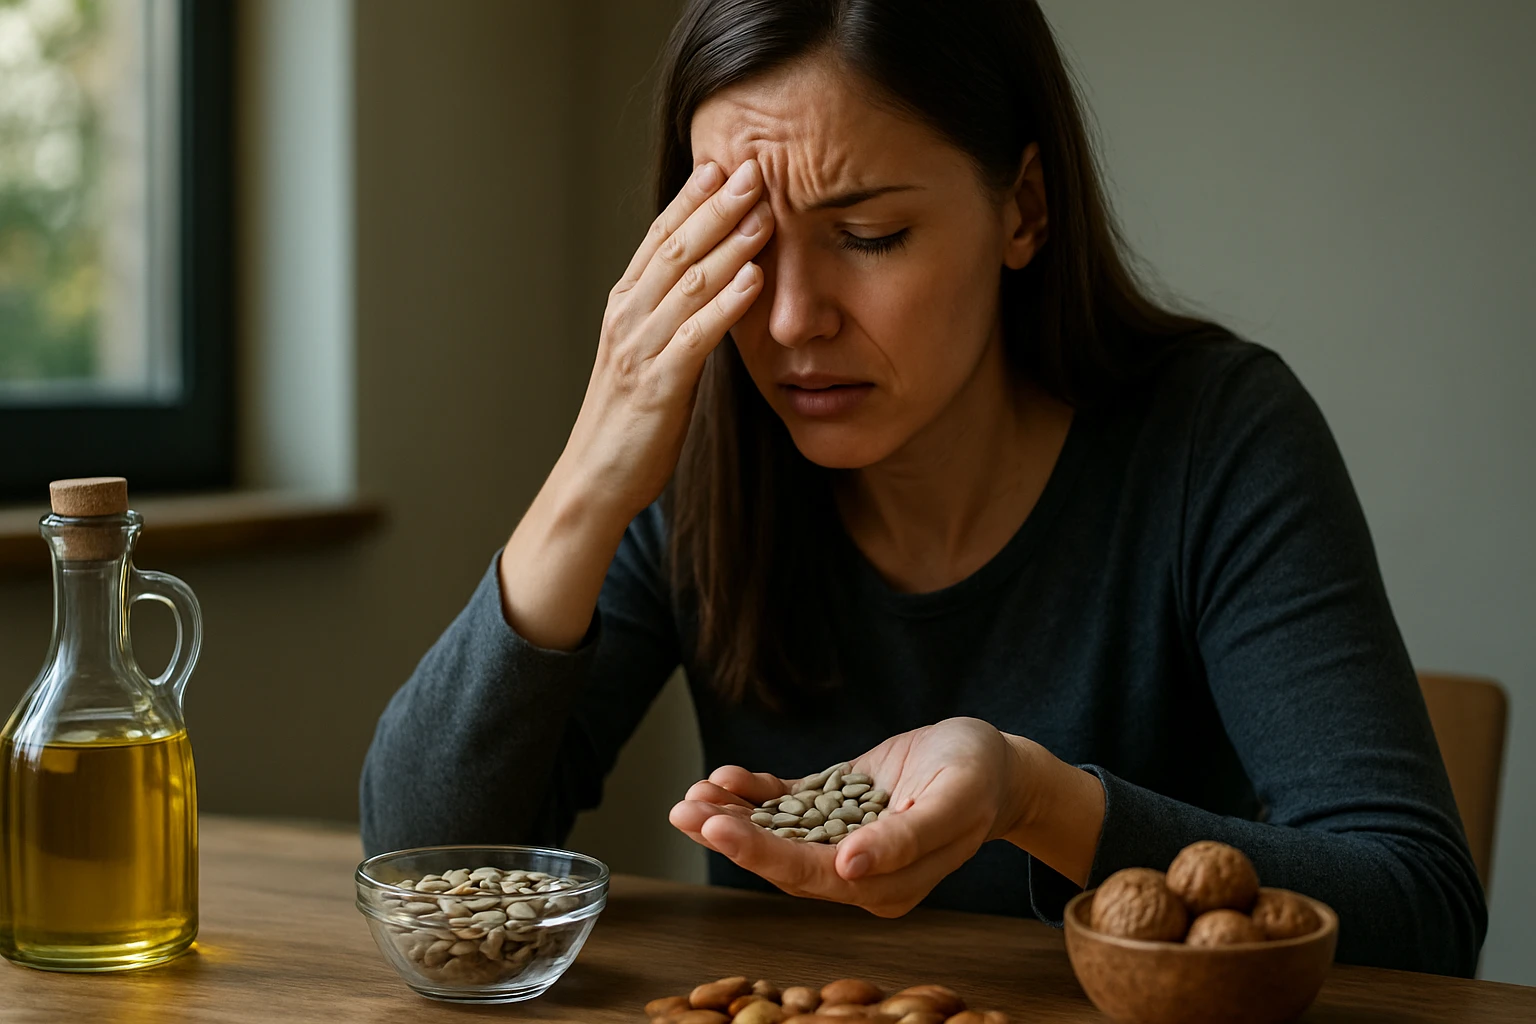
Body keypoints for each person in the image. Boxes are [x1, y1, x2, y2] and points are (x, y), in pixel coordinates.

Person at [360, 0, 1485, 976]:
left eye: (869, 233)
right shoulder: (704, 446)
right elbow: (420, 869)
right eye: (741, 243)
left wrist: (1034, 798)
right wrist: (586, 480)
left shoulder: (1216, 438)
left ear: (1024, 210)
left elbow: (1421, 911)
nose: (792, 320)